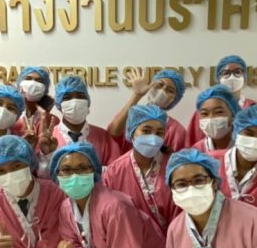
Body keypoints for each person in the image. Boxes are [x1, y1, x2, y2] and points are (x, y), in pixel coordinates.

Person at [103, 105, 177, 234]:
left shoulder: (174, 166)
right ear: (132, 132)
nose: (153, 138)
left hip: (173, 238)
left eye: (159, 133)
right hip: (131, 240)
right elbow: (110, 212)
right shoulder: (114, 172)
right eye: (146, 131)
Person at [107, 67, 190, 152]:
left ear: (174, 99)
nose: (162, 91)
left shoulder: (177, 131)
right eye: (160, 84)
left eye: (170, 90)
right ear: (151, 85)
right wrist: (137, 95)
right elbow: (112, 134)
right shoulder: (131, 116)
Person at [51, 75, 122, 165]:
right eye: (67, 98)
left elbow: (116, 169)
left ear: (87, 102)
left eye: (80, 96)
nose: (75, 102)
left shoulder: (104, 138)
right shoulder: (50, 138)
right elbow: (40, 171)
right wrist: (46, 155)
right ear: (59, 104)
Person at [186, 56, 256, 145]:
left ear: (245, 76)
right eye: (226, 73)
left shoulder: (254, 109)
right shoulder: (203, 110)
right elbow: (192, 142)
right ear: (218, 77)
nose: (232, 77)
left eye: (237, 72)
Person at [191, 86, 240, 152]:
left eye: (218, 112)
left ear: (233, 115)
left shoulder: (244, 147)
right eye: (204, 113)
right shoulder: (197, 150)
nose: (210, 118)